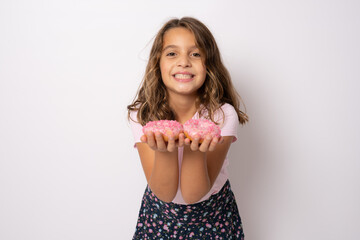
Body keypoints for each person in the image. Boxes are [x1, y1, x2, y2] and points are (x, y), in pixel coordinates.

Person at [127, 16, 249, 239]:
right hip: (159, 218)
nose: (183, 62)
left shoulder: (222, 116)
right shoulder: (143, 115)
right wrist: (165, 150)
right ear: (158, 63)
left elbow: (194, 194)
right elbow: (164, 192)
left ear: (208, 65)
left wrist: (193, 147)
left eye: (195, 54)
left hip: (213, 218)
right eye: (172, 53)